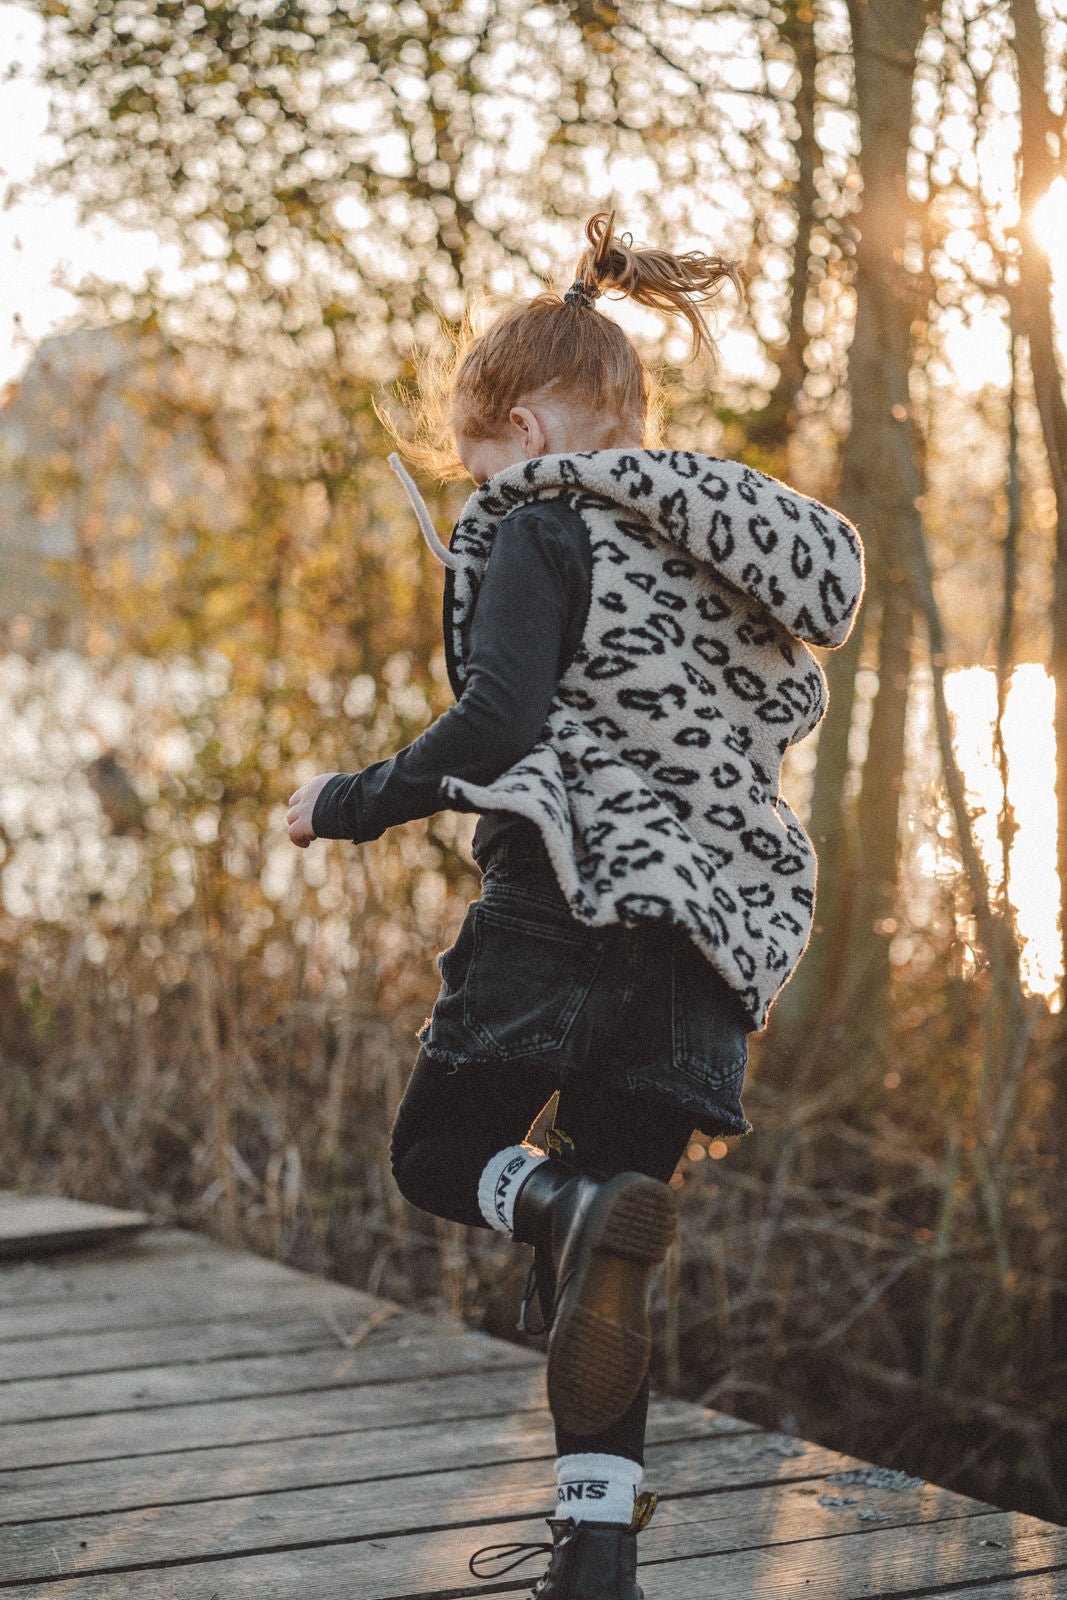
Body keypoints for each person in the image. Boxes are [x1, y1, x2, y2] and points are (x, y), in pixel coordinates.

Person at [286, 212, 864, 1600]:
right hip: (711, 935)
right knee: (615, 1252)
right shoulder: (722, 546)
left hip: (568, 894)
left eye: (475, 458)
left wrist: (348, 799)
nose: (471, 484)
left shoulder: (543, 524)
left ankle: (551, 1206)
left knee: (444, 1157)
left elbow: (496, 726)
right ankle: (595, 1555)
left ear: (530, 429)